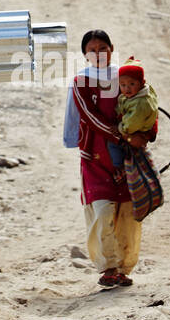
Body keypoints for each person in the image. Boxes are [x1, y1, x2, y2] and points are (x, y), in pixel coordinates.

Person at [67, 29, 157, 289]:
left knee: (127, 212)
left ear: (111, 48)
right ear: (85, 55)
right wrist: (124, 138)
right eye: (92, 50)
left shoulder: (125, 76)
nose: (98, 54)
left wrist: (147, 134)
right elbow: (91, 117)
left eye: (103, 48)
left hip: (127, 158)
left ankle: (123, 268)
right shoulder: (80, 82)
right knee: (102, 209)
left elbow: (148, 104)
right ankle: (108, 267)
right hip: (95, 155)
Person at [106, 59, 159, 172]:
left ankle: (118, 168)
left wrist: (120, 129)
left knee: (113, 143)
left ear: (141, 83)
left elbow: (131, 124)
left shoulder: (139, 103)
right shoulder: (140, 93)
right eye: (123, 85)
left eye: (132, 84)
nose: (127, 88)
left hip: (135, 130)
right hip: (138, 128)